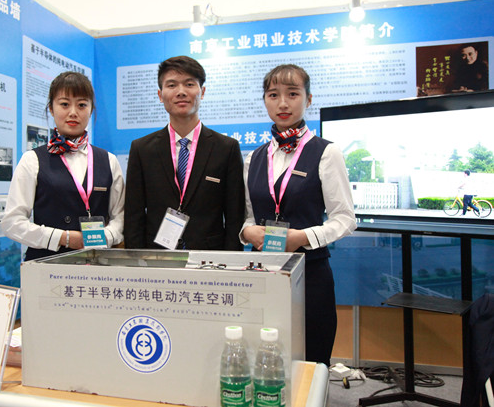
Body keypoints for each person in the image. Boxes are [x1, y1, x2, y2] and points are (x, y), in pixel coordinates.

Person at [240, 64, 356, 365]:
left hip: (310, 273)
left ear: (308, 99)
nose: (282, 103)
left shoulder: (326, 152)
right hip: (263, 271)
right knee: (264, 356)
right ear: (265, 100)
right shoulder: (254, 157)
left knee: (312, 358)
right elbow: (247, 216)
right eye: (273, 95)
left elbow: (345, 218)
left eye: (292, 94)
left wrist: (303, 237)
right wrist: (246, 232)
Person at [124, 56, 245, 250]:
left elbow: (234, 216)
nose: (181, 92)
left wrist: (231, 261)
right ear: (160, 95)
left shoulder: (226, 148)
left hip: (209, 257)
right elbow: (133, 216)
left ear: (202, 92)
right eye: (172, 85)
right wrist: (136, 260)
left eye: (189, 84)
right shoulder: (142, 149)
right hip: (156, 256)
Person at [2, 71, 124, 260]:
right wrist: (63, 238)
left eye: (82, 105)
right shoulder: (32, 160)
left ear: (91, 109)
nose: (73, 112)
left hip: (96, 264)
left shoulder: (109, 160)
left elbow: (120, 217)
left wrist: (105, 236)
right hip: (46, 265)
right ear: (51, 108)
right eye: (65, 104)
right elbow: (12, 222)